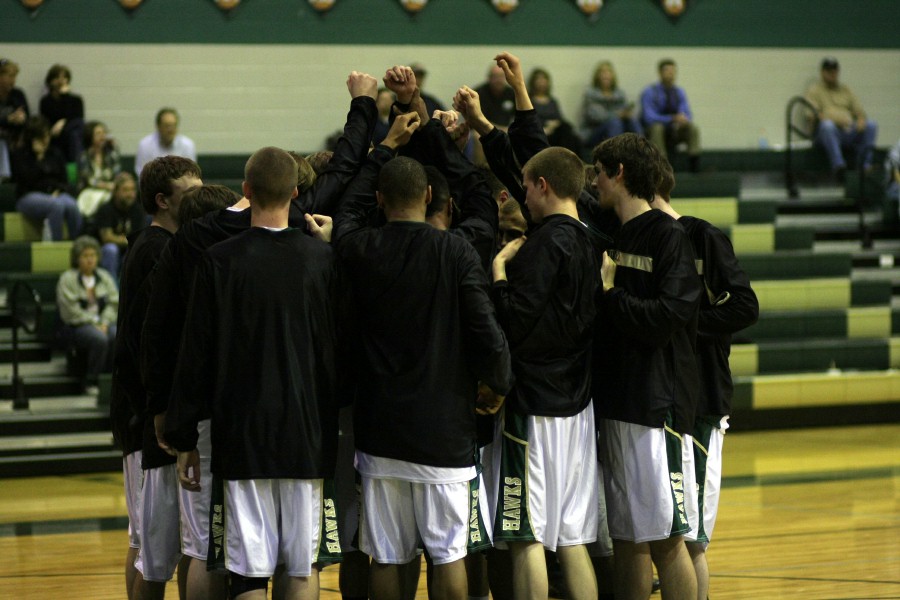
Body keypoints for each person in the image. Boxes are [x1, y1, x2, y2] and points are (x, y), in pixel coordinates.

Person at [333, 112, 514, 600]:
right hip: (443, 430)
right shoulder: (456, 251)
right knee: (449, 552)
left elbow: (347, 211)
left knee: (387, 554)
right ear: (431, 197)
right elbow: (486, 332)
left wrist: (384, 149)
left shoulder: (358, 247)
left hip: (380, 429)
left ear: (378, 200)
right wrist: (497, 382)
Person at [166, 147, 341, 600]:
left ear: (246, 191)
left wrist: (184, 437)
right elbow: (333, 353)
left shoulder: (219, 261)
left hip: (241, 434)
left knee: (247, 570)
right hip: (305, 433)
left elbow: (195, 354)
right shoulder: (321, 260)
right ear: (296, 193)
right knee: (301, 566)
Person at [591, 133, 701, 600]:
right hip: (616, 402)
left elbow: (668, 318)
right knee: (626, 537)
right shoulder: (610, 227)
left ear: (619, 174)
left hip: (657, 408)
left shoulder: (668, 235)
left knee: (666, 538)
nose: (592, 180)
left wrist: (613, 295)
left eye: (598, 171)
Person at [490, 145, 600, 600]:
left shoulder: (543, 243)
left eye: (527, 186)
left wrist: (498, 273)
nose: (525, 198)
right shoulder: (593, 240)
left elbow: (515, 320)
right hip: (578, 403)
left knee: (525, 535)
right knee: (572, 537)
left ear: (543, 185)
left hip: (534, 406)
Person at [651, 158, 759, 600]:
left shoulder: (703, 237)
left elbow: (744, 307)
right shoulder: (642, 239)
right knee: (663, 532)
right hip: (659, 399)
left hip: (701, 402)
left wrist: (682, 321)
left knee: (690, 536)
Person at [122, 156, 201, 600]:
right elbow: (145, 342)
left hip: (155, 420)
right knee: (148, 550)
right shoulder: (157, 250)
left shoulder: (164, 247)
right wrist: (158, 410)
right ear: (162, 200)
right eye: (190, 194)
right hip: (150, 424)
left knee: (153, 548)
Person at [56, 235, 118, 392]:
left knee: (116, 334)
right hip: (77, 326)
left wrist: (104, 321)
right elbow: (70, 311)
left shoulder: (104, 276)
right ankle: (91, 380)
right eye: (85, 256)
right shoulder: (67, 279)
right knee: (99, 339)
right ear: (77, 258)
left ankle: (111, 379)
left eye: (93, 255)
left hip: (103, 322)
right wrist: (93, 321)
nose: (90, 260)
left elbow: (114, 303)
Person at [805, 57, 878, 182]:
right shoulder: (814, 91)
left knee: (871, 125)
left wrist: (860, 120)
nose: (832, 74)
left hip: (847, 130)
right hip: (825, 134)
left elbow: (859, 112)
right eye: (829, 71)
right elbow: (813, 115)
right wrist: (835, 120)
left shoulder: (845, 90)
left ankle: (864, 165)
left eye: (835, 71)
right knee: (827, 125)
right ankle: (839, 166)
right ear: (823, 72)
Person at [10, 116, 82, 240]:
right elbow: (26, 180)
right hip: (28, 196)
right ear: (31, 138)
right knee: (56, 205)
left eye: (47, 135)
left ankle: (76, 243)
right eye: (41, 137)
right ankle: (57, 246)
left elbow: (64, 180)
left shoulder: (55, 153)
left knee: (72, 205)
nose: (45, 140)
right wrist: (39, 158)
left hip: (55, 193)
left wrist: (58, 190)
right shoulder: (20, 155)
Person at [640, 59, 701, 171]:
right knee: (657, 127)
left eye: (673, 71)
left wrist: (683, 120)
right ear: (660, 73)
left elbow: (687, 113)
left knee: (692, 128)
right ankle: (662, 165)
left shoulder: (679, 92)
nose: (671, 74)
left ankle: (694, 164)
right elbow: (648, 117)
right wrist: (671, 119)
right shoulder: (650, 91)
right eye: (667, 71)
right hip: (655, 131)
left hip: (675, 130)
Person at [93, 172, 146, 277]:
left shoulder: (138, 210)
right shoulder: (106, 209)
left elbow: (139, 238)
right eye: (125, 190)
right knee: (111, 249)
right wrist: (129, 240)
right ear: (115, 192)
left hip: (126, 250)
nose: (130, 194)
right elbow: (107, 238)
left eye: (132, 190)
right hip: (103, 251)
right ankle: (112, 289)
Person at [580, 61, 641, 148]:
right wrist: (618, 114)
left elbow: (623, 111)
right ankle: (615, 153)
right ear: (597, 76)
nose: (606, 75)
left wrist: (627, 114)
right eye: (602, 72)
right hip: (594, 132)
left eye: (608, 72)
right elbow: (596, 116)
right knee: (615, 122)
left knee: (632, 120)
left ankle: (642, 150)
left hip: (620, 129)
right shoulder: (590, 94)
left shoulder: (619, 94)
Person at [527, 67, 583, 157]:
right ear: (533, 82)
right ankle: (569, 159)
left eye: (544, 79)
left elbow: (559, 118)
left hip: (555, 132)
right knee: (565, 132)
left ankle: (572, 161)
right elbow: (529, 120)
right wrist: (545, 128)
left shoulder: (552, 101)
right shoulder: (529, 101)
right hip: (540, 133)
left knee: (569, 132)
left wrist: (553, 125)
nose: (542, 82)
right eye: (539, 79)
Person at [39, 64, 85, 163]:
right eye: (57, 77)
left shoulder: (76, 100)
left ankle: (76, 172)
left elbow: (78, 120)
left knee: (75, 132)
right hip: (55, 135)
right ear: (50, 81)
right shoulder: (46, 101)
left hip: (71, 135)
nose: (61, 81)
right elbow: (50, 118)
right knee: (73, 135)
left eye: (64, 77)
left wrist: (65, 97)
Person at [76, 120, 122, 217]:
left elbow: (117, 174)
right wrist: (107, 186)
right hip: (89, 191)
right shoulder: (84, 156)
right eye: (98, 133)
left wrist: (115, 147)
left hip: (110, 190)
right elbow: (89, 180)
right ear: (90, 136)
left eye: (104, 133)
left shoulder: (111, 154)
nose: (102, 137)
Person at [134, 107, 197, 177]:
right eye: (167, 126)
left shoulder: (187, 145)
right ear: (158, 126)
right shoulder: (145, 145)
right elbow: (141, 173)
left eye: (174, 125)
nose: (170, 130)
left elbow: (191, 173)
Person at [0, 57, 29, 179]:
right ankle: (4, 179)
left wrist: (22, 119)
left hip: (15, 137)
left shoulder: (18, 95)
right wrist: (8, 120)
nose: (13, 80)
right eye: (10, 76)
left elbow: (27, 117)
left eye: (14, 76)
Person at [474, 64, 516, 129]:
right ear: (489, 78)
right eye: (495, 77)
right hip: (483, 129)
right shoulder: (478, 94)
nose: (498, 80)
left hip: (506, 130)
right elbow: (476, 119)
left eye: (501, 76)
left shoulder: (511, 93)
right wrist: (501, 129)